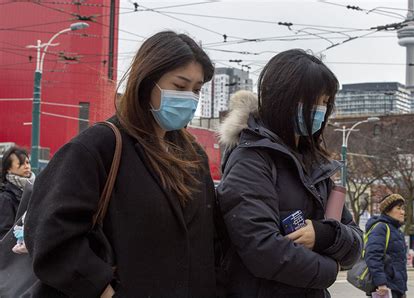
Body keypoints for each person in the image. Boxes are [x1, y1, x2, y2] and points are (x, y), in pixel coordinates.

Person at [24, 31, 217, 297]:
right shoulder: (99, 146)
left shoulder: (194, 155)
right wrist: (104, 290)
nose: (190, 98)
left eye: (197, 89)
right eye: (180, 86)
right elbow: (52, 237)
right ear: (148, 82)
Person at [216, 49, 363, 298]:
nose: (319, 110)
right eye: (311, 101)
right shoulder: (251, 160)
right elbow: (263, 249)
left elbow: (355, 240)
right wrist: (331, 268)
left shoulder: (316, 167)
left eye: (325, 102)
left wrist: (324, 235)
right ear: (282, 98)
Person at [365, 194, 407, 298]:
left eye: (403, 208)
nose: (402, 212)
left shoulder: (397, 230)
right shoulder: (381, 228)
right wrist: (381, 283)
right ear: (388, 210)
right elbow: (373, 256)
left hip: (397, 288)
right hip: (384, 289)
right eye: (398, 208)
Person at [0, 146, 34, 238]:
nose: (26, 166)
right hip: (17, 248)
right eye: (21, 163)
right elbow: (4, 232)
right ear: (8, 168)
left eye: (27, 162)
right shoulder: (6, 197)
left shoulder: (36, 187)